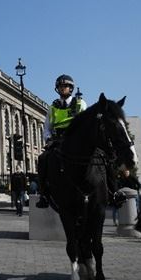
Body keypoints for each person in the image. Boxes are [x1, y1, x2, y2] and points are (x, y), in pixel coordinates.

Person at [36, 74, 87, 208]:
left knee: (99, 156)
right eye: (60, 86)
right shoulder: (53, 107)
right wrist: (48, 139)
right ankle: (44, 195)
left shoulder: (80, 104)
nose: (62, 89)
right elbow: (47, 127)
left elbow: (86, 123)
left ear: (70, 88)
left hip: (76, 139)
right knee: (42, 159)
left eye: (65, 86)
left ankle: (114, 191)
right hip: (58, 140)